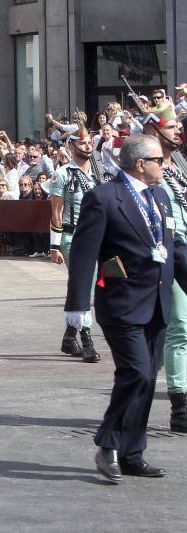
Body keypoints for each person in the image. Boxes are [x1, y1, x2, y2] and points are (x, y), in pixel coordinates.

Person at [66, 134, 187, 482]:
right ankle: (108, 442)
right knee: (137, 373)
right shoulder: (103, 198)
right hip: (121, 304)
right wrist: (76, 305)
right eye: (159, 160)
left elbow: (173, 250)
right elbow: (85, 253)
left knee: (146, 381)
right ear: (140, 164)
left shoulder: (160, 196)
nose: (164, 165)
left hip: (157, 302)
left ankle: (133, 453)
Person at [143, 105, 187, 432]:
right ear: (155, 131)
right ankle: (180, 406)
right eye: (171, 127)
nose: (177, 131)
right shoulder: (146, 168)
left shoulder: (180, 163)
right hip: (169, 253)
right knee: (180, 327)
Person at [50, 125, 103, 363]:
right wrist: (55, 246)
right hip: (74, 238)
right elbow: (56, 212)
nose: (87, 145)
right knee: (85, 286)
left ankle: (70, 336)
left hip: (99, 237)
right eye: (82, 143)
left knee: (91, 286)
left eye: (90, 141)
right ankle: (87, 339)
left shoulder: (99, 172)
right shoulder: (62, 174)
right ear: (72, 146)